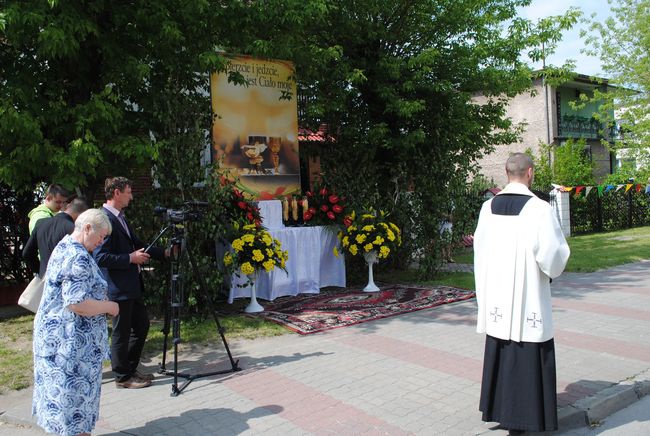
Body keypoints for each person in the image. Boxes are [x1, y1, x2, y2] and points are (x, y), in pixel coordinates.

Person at [474, 153, 570, 434]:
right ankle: (528, 415)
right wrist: (552, 269)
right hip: (527, 294)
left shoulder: (487, 207)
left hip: (497, 295)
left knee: (501, 348)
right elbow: (553, 253)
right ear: (530, 172)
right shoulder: (539, 209)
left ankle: (500, 409)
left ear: (506, 173)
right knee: (528, 348)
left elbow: (479, 249)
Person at [32, 209, 119, 436]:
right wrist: (109, 307)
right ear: (87, 228)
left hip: (57, 341)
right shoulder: (77, 256)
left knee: (63, 404)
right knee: (75, 406)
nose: (102, 241)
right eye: (101, 236)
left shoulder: (64, 246)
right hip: (71, 347)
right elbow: (77, 302)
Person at [94, 177, 167, 389]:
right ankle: (122, 377)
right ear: (116, 192)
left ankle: (129, 369)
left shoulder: (120, 218)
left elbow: (137, 245)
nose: (131, 196)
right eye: (128, 192)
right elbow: (100, 257)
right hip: (118, 287)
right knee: (121, 332)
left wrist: (163, 252)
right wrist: (129, 258)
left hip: (130, 286)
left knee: (142, 326)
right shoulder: (103, 218)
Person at [23, 197, 89, 278]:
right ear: (81, 216)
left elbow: (27, 254)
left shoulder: (40, 224)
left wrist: (40, 271)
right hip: (65, 281)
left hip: (44, 279)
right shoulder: (74, 230)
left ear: (68, 206)